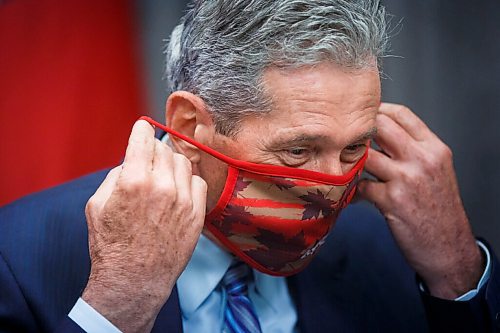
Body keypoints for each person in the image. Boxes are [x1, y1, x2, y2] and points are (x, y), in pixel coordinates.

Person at [1, 0, 499, 332]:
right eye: (299, 151)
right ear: (190, 124)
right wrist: (118, 304)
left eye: (353, 150)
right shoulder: (17, 259)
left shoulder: (389, 251)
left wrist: (457, 272)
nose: (332, 188)